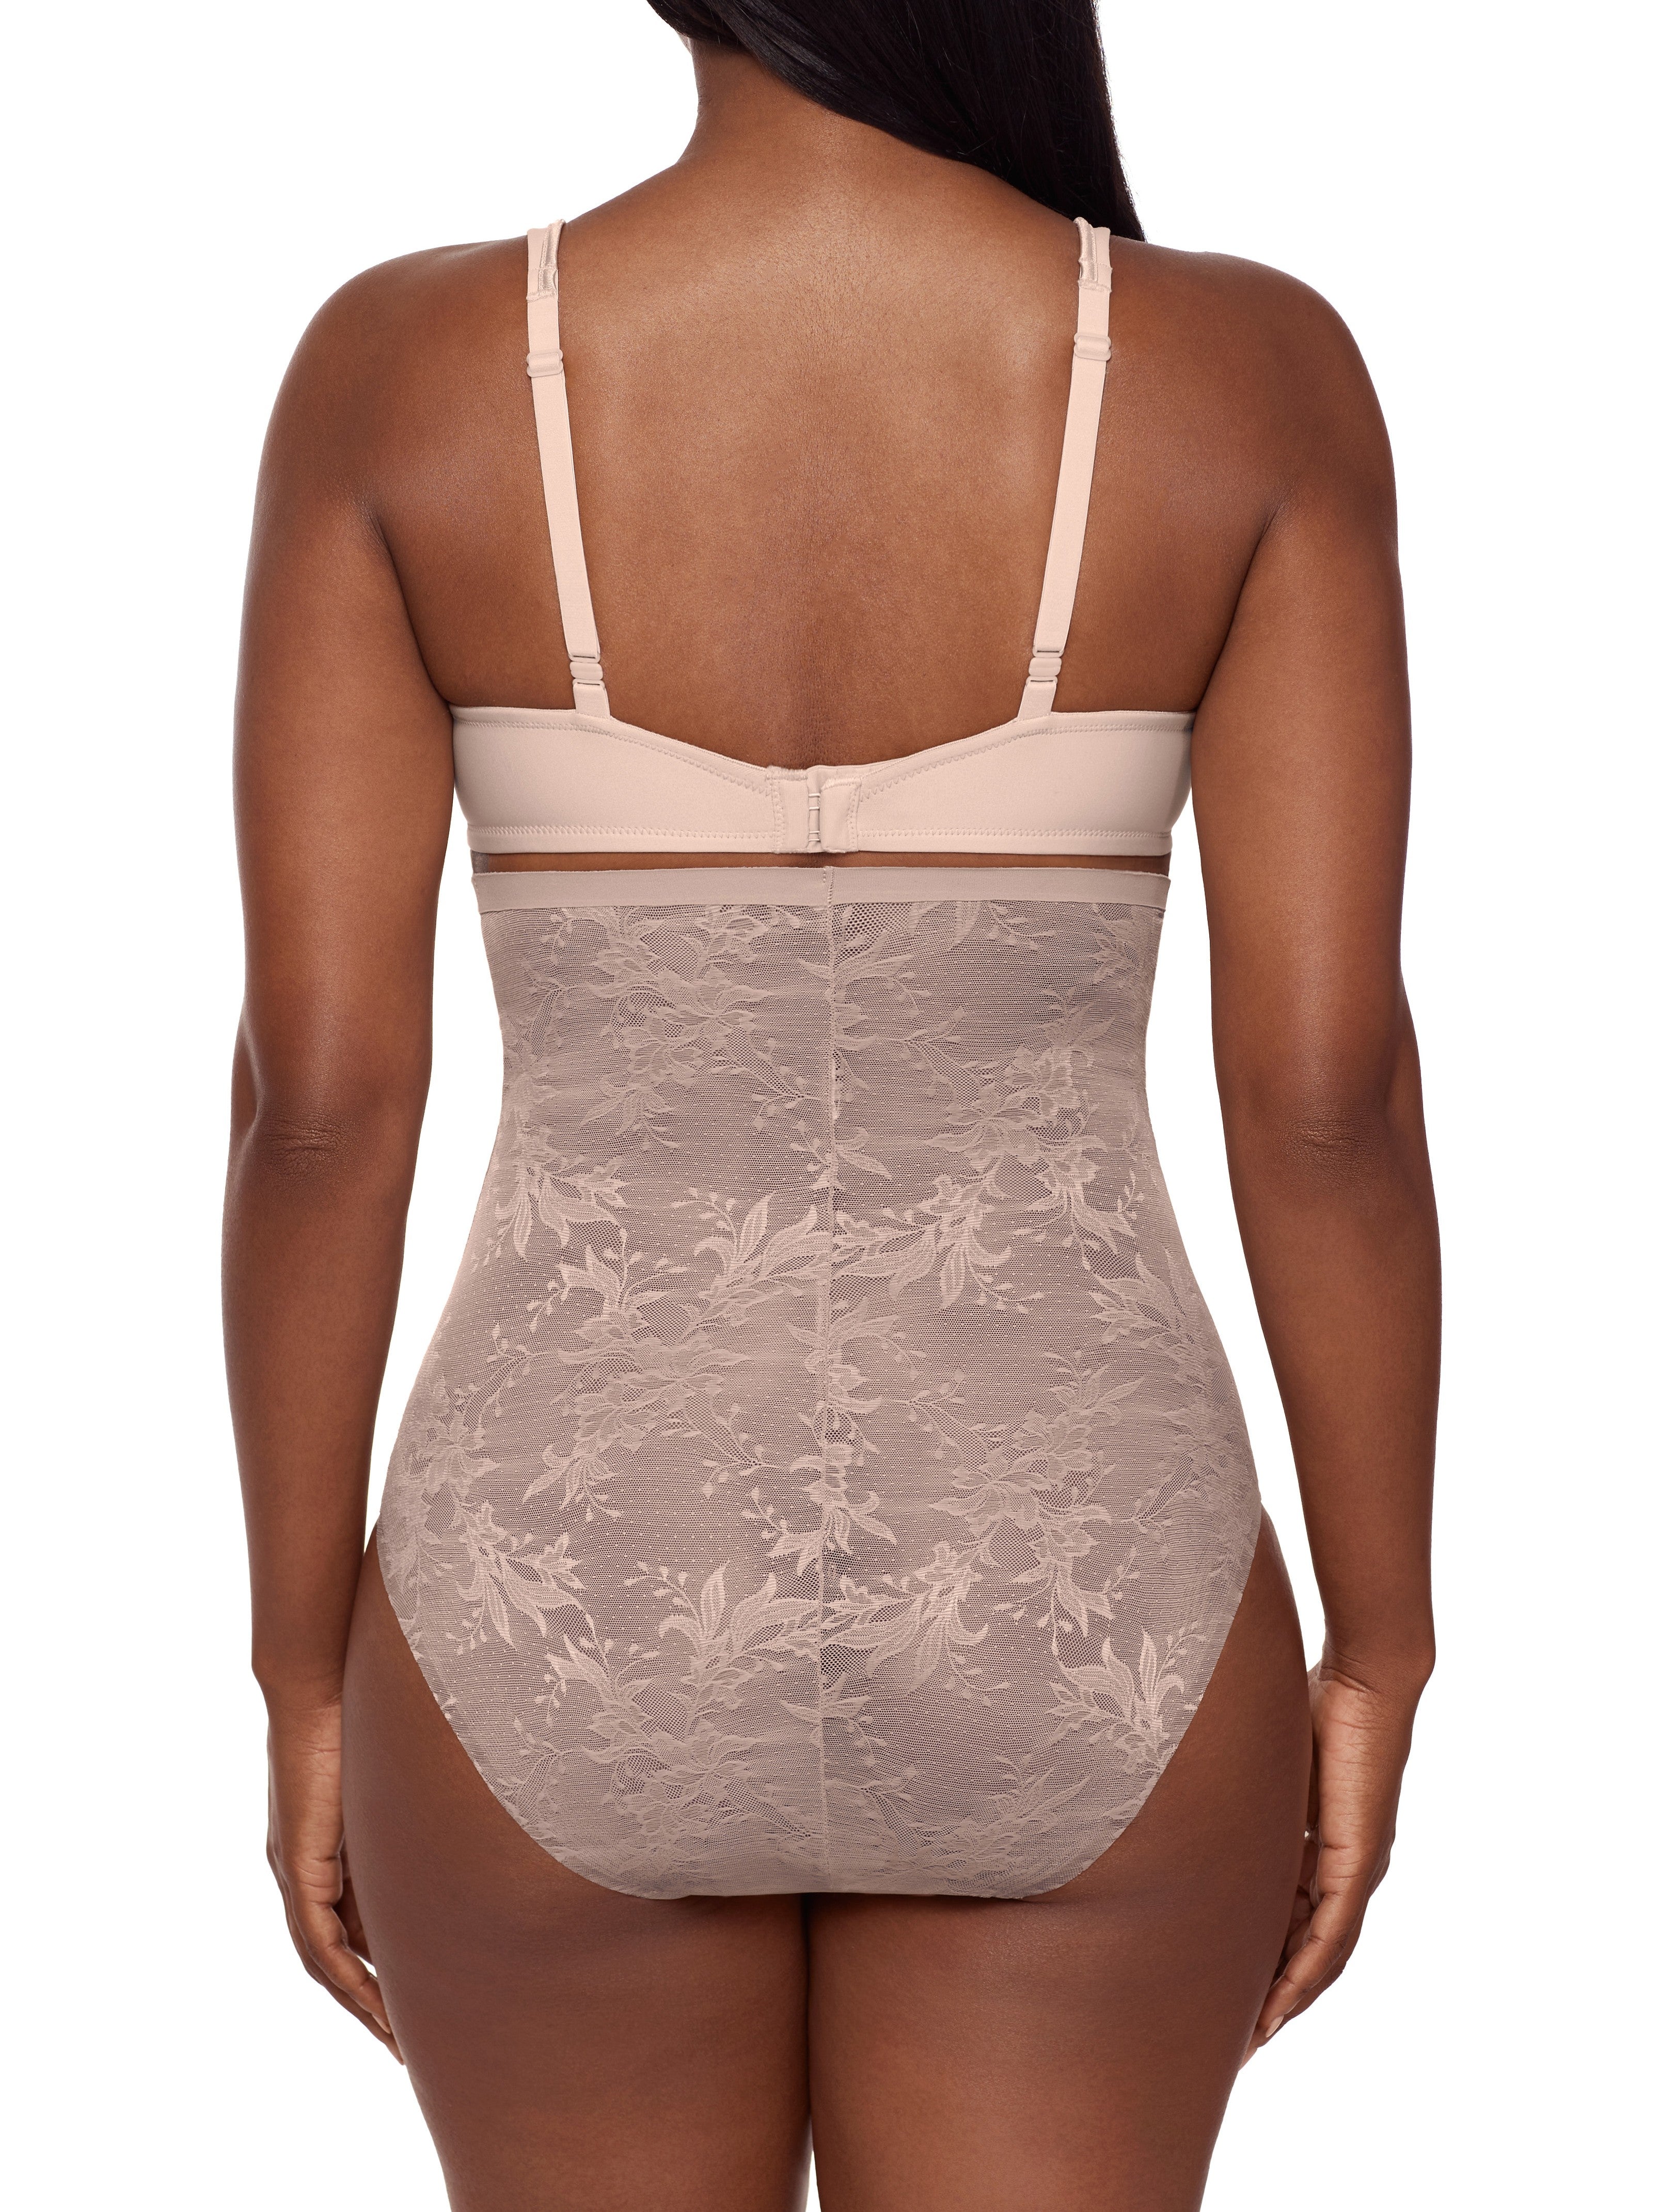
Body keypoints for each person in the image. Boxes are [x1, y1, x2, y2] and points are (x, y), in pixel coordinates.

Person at [224, 4, 1439, 2204]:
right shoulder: (1246, 375)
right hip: (1092, 1592)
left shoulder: (401, 374)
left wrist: (299, 1666)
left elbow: (319, 1112)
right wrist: (1382, 1640)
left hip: (556, 1595)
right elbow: (1325, 1097)